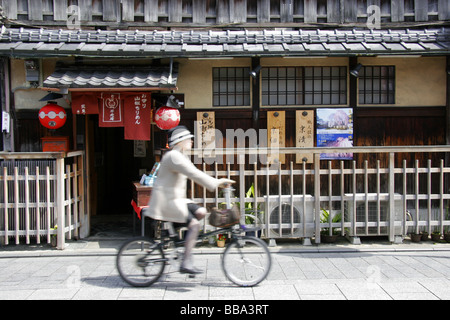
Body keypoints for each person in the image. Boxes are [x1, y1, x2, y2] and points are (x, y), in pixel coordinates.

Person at [145, 125, 234, 274]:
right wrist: (217, 182)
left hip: (175, 200)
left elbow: (195, 172)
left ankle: (180, 242)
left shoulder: (180, 156)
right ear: (180, 141)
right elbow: (194, 174)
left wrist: (217, 182)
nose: (191, 141)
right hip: (167, 202)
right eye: (188, 139)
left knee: (201, 211)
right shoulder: (174, 157)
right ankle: (186, 262)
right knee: (194, 225)